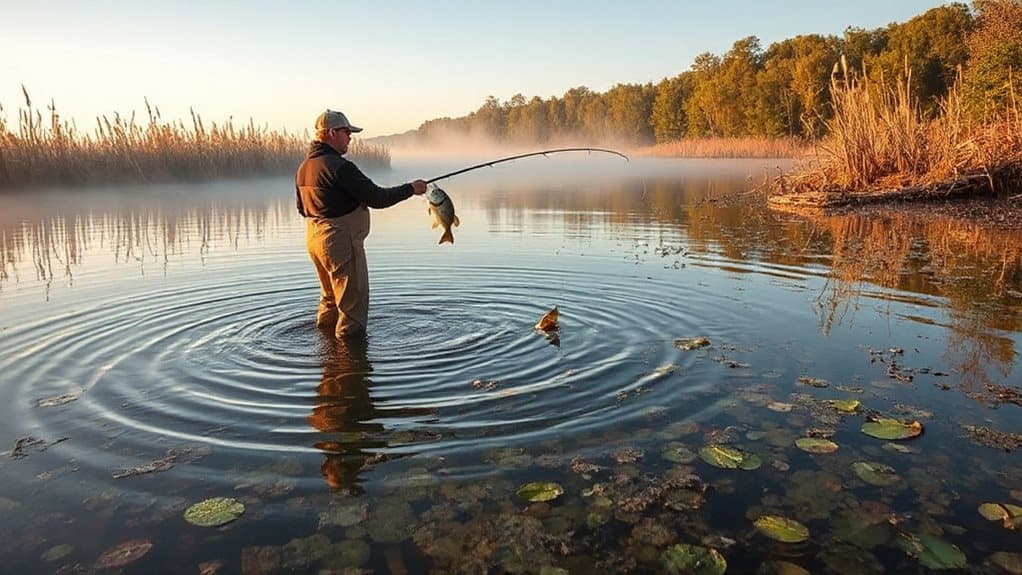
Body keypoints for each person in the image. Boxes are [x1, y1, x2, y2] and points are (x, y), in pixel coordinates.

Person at [295, 109, 427, 338]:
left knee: (330, 299)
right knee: (352, 309)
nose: (350, 137)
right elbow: (377, 198)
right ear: (331, 133)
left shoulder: (304, 167)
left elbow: (301, 209)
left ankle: (326, 351)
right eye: (347, 132)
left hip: (314, 241)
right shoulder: (340, 167)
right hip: (339, 243)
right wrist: (410, 189)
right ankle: (350, 365)